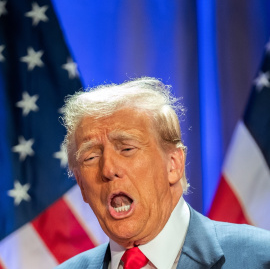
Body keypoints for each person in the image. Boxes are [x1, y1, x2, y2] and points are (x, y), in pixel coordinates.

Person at [56, 77, 270, 269]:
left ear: (173, 164)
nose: (108, 170)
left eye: (127, 149)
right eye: (91, 157)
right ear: (81, 185)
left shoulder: (259, 259)